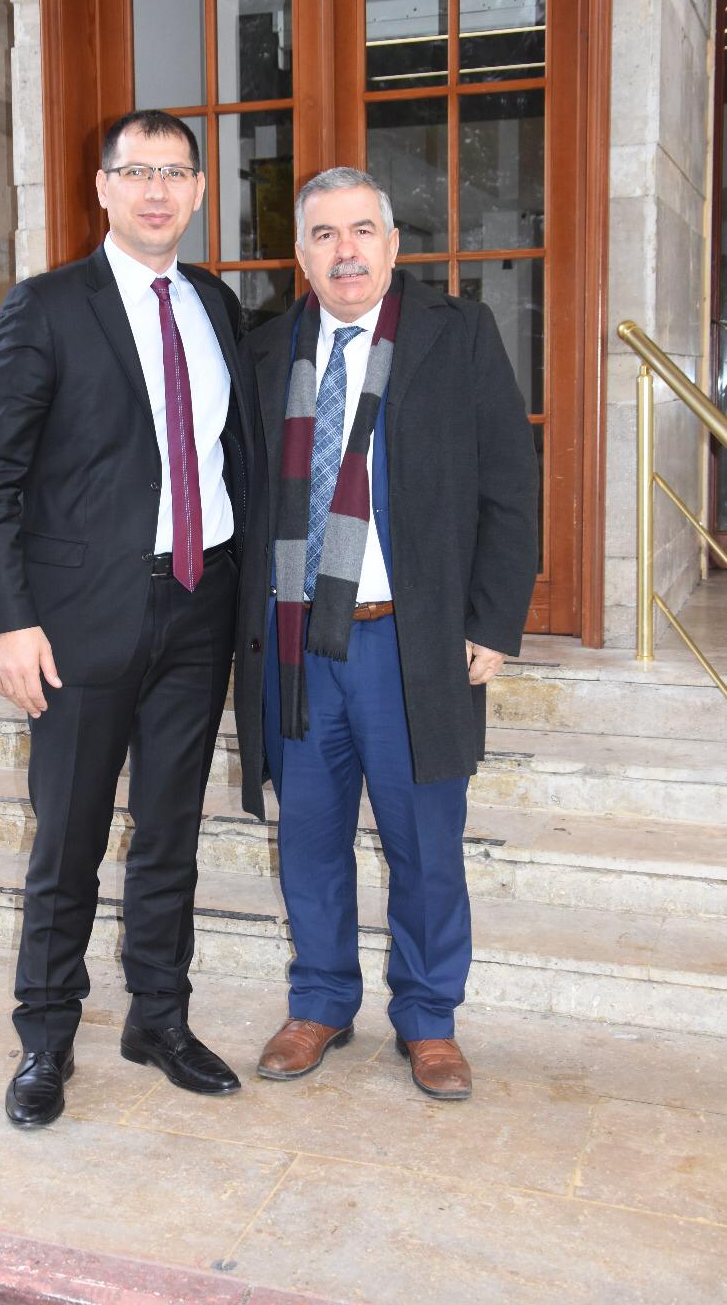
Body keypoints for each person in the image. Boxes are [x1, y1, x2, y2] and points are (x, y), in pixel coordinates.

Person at [0, 109, 252, 1127]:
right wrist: (8, 622)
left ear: (200, 189)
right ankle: (46, 1039)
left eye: (174, 172)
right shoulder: (46, 306)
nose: (156, 190)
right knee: (69, 840)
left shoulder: (217, 304)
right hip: (80, 620)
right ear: (102, 187)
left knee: (171, 831)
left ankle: (159, 1020)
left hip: (200, 603)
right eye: (136, 172)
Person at [233, 166, 539, 1100]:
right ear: (301, 255)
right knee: (309, 840)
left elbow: (510, 484)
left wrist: (492, 620)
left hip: (411, 643)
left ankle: (429, 1018)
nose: (346, 251)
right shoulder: (265, 348)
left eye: (362, 230)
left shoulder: (458, 334)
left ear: (394, 244)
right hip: (296, 642)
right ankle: (320, 1001)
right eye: (325, 235)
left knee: (425, 846)